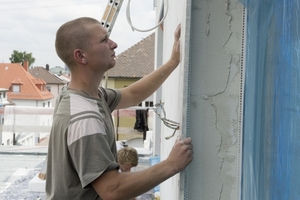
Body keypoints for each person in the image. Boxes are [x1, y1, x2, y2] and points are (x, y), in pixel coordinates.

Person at [45, 17, 193, 200]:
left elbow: (132, 94)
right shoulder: (85, 119)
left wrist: (172, 62)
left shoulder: (87, 95)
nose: (114, 44)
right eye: (104, 40)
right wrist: (172, 164)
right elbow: (112, 190)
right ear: (81, 56)